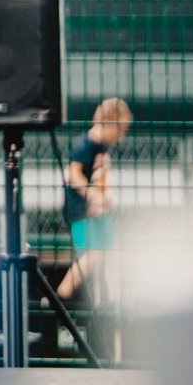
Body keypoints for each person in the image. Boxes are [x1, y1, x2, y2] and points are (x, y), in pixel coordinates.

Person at [56, 98, 132, 303]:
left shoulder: (101, 146)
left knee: (112, 253)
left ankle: (115, 302)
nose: (121, 137)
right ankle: (60, 295)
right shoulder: (87, 144)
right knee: (92, 255)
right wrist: (93, 195)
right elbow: (73, 174)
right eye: (120, 130)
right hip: (81, 211)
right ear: (110, 123)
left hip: (98, 211)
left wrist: (103, 197)